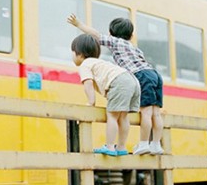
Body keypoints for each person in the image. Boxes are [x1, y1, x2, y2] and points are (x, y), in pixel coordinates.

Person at [68, 14, 164, 155]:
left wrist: (79, 24)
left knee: (145, 112)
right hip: (154, 74)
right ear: (131, 35)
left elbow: (96, 35)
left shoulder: (115, 42)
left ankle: (143, 144)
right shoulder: (135, 48)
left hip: (139, 75)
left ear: (111, 33)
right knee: (156, 113)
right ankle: (155, 144)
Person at [71, 34, 140, 156]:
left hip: (119, 82)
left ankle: (109, 147)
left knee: (112, 115)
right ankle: (121, 147)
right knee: (123, 117)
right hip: (132, 81)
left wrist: (91, 102)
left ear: (79, 54)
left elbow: (88, 83)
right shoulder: (100, 62)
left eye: (72, 52)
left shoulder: (85, 64)